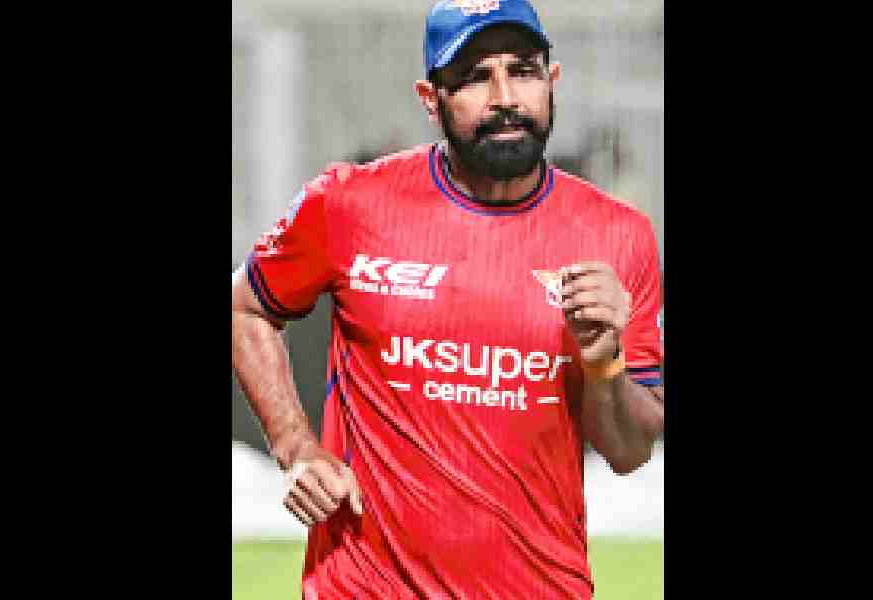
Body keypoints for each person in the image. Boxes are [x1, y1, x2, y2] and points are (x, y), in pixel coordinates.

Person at [231, 1, 664, 597]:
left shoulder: (619, 236)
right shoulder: (348, 205)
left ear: (552, 81)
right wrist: (295, 448)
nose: (505, 96)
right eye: (474, 78)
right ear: (430, 100)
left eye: (524, 70)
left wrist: (603, 356)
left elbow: (629, 451)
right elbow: (246, 308)